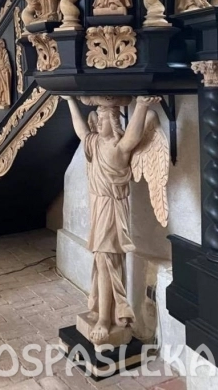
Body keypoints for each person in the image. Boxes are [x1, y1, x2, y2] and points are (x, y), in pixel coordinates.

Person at [62, 95, 160, 344]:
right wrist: (70, 101)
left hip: (112, 211)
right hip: (98, 208)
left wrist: (142, 105)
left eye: (103, 118)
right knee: (101, 261)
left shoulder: (119, 148)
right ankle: (107, 311)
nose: (98, 122)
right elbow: (81, 130)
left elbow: (133, 136)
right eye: (98, 118)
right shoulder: (94, 143)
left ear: (115, 122)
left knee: (107, 261)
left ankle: (106, 319)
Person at [0, 38, 12, 109]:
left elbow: (7, 61)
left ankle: (4, 99)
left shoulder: (5, 52)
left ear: (3, 44)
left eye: (0, 44)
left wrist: (5, 68)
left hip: (4, 71)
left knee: (4, 85)